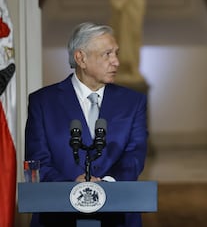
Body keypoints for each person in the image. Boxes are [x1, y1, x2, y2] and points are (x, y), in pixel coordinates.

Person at [25, 22, 148, 227]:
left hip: (117, 217)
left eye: (116, 53)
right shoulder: (43, 102)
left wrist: (105, 185)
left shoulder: (133, 102)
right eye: (107, 54)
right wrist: (73, 188)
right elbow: (38, 159)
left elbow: (135, 155)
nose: (116, 62)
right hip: (57, 217)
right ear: (81, 58)